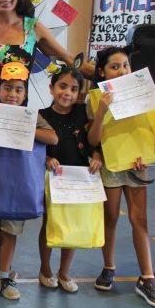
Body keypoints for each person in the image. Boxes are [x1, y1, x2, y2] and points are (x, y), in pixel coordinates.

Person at [0, 62, 58, 300]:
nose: (13, 94)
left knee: (10, 232)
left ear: (25, 94)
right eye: (7, 88)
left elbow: (53, 138)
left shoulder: (32, 117)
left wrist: (25, 128)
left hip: (18, 189)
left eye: (18, 90)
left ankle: (4, 274)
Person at [87, 46, 155, 308]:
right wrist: (100, 111)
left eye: (125, 66)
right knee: (110, 217)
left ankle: (147, 278)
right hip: (110, 165)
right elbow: (93, 139)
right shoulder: (95, 98)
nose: (122, 71)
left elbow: (150, 134)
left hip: (136, 165)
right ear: (102, 72)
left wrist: (146, 154)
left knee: (139, 219)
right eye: (115, 66)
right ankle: (109, 266)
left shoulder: (143, 94)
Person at [38, 66, 103, 293]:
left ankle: (64, 271)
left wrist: (96, 156)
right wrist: (46, 158)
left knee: (72, 226)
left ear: (79, 93)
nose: (67, 92)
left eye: (73, 89)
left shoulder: (82, 114)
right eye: (62, 86)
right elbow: (35, 148)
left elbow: (94, 141)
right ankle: (45, 268)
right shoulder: (41, 115)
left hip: (79, 177)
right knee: (50, 224)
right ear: (51, 88)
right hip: (53, 179)